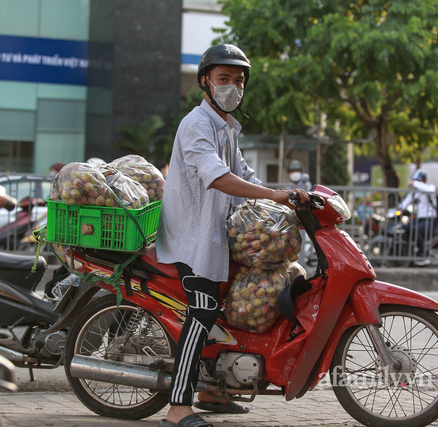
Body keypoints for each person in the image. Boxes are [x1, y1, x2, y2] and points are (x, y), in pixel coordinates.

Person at [155, 44, 308, 427]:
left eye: (238, 80)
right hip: (192, 239)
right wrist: (272, 195)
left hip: (214, 237)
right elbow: (218, 177)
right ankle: (178, 407)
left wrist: (287, 202)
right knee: (203, 312)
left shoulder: (226, 127)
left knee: (228, 311)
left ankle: (211, 390)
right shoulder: (197, 124)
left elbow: (244, 175)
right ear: (205, 81)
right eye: (224, 79)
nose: (232, 87)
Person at [398, 169, 438, 267]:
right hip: (419, 220)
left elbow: (428, 189)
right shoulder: (415, 193)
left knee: (415, 230)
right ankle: (410, 251)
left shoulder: (430, 188)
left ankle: (423, 255)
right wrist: (395, 210)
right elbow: (404, 204)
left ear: (423, 181)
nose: (415, 184)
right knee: (405, 227)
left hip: (430, 220)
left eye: (418, 181)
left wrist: (414, 183)